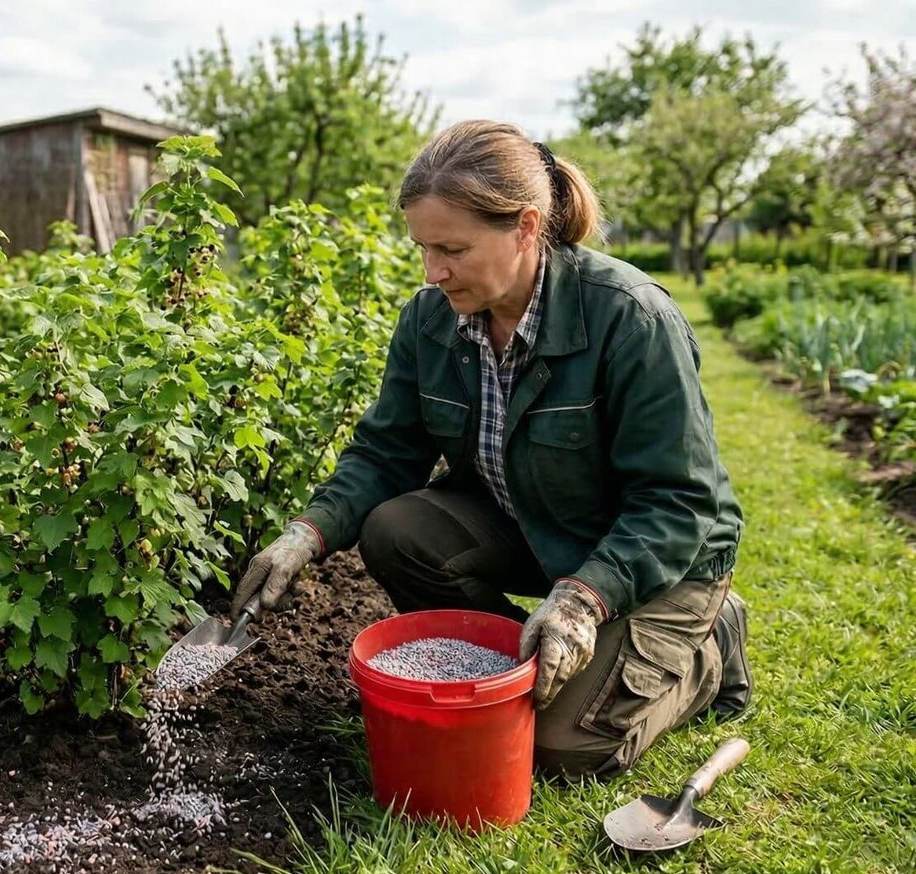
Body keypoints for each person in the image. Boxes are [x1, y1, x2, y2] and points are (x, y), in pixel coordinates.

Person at [232, 120, 752, 782]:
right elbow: (387, 450)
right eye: (422, 247)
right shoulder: (430, 321)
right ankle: (530, 665)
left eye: (452, 248)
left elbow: (682, 500)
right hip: (539, 525)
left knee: (562, 750)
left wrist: (585, 599)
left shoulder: (630, 317)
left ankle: (708, 650)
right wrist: (306, 534)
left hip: (657, 561)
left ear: (526, 228)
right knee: (396, 530)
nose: (432, 270)